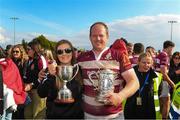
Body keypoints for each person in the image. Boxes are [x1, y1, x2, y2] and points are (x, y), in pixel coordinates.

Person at [77, 22, 139, 119]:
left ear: (107, 36)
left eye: (101, 35)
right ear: (90, 37)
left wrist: (120, 96)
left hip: (114, 116)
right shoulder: (81, 58)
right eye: (94, 35)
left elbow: (134, 82)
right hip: (88, 116)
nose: (97, 38)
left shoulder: (119, 56)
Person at [37, 40, 84, 119]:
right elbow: (41, 93)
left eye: (67, 50)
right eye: (60, 52)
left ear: (72, 52)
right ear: (56, 54)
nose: (64, 54)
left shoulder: (80, 70)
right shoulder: (49, 70)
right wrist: (52, 76)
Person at [124, 53, 162, 119]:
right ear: (138, 62)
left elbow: (159, 93)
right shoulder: (129, 74)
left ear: (152, 63)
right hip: (131, 110)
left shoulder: (157, 76)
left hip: (149, 112)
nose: (146, 65)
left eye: (148, 63)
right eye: (144, 62)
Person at [0, 46, 26, 120]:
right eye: (13, 51)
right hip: (10, 95)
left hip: (11, 94)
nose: (15, 53)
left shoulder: (24, 62)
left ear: (21, 52)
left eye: (17, 51)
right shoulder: (11, 62)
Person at [24, 40, 47, 119]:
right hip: (28, 92)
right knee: (27, 115)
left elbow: (45, 77)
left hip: (38, 92)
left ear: (34, 49)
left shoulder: (41, 59)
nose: (27, 51)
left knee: (37, 116)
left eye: (28, 49)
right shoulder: (29, 60)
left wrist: (32, 84)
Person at [155, 40, 175, 119]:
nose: (172, 50)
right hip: (163, 81)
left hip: (158, 80)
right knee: (166, 102)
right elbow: (163, 72)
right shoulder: (165, 56)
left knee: (161, 101)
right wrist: (171, 83)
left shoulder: (159, 55)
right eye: (172, 48)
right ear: (169, 47)